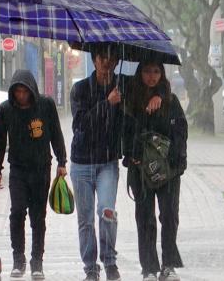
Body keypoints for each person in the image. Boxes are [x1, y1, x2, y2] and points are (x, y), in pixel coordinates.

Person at [70, 43, 164, 281]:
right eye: (102, 58)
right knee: (86, 219)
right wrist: (107, 103)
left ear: (115, 62)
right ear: (94, 60)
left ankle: (110, 261)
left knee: (107, 211)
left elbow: (150, 82)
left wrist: (159, 95)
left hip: (108, 162)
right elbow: (81, 125)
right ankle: (91, 267)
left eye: (111, 59)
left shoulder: (123, 84)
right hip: (81, 163)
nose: (106, 63)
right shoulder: (80, 89)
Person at [0, 69, 68, 279]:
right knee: (17, 212)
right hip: (17, 169)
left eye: (24, 91)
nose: (21, 95)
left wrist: (62, 161)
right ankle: (18, 259)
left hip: (41, 169)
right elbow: (0, 141)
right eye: (17, 91)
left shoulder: (46, 105)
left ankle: (37, 261)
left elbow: (56, 134)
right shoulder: (5, 110)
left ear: (31, 90)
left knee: (38, 216)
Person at [123, 61, 187, 281]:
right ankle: (149, 267)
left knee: (169, 216)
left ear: (162, 74)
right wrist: (131, 153)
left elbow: (180, 132)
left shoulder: (170, 101)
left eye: (156, 71)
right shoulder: (130, 100)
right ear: (140, 73)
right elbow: (124, 131)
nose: (151, 76)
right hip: (140, 170)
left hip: (168, 172)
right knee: (145, 218)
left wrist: (177, 163)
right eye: (147, 71)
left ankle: (168, 265)